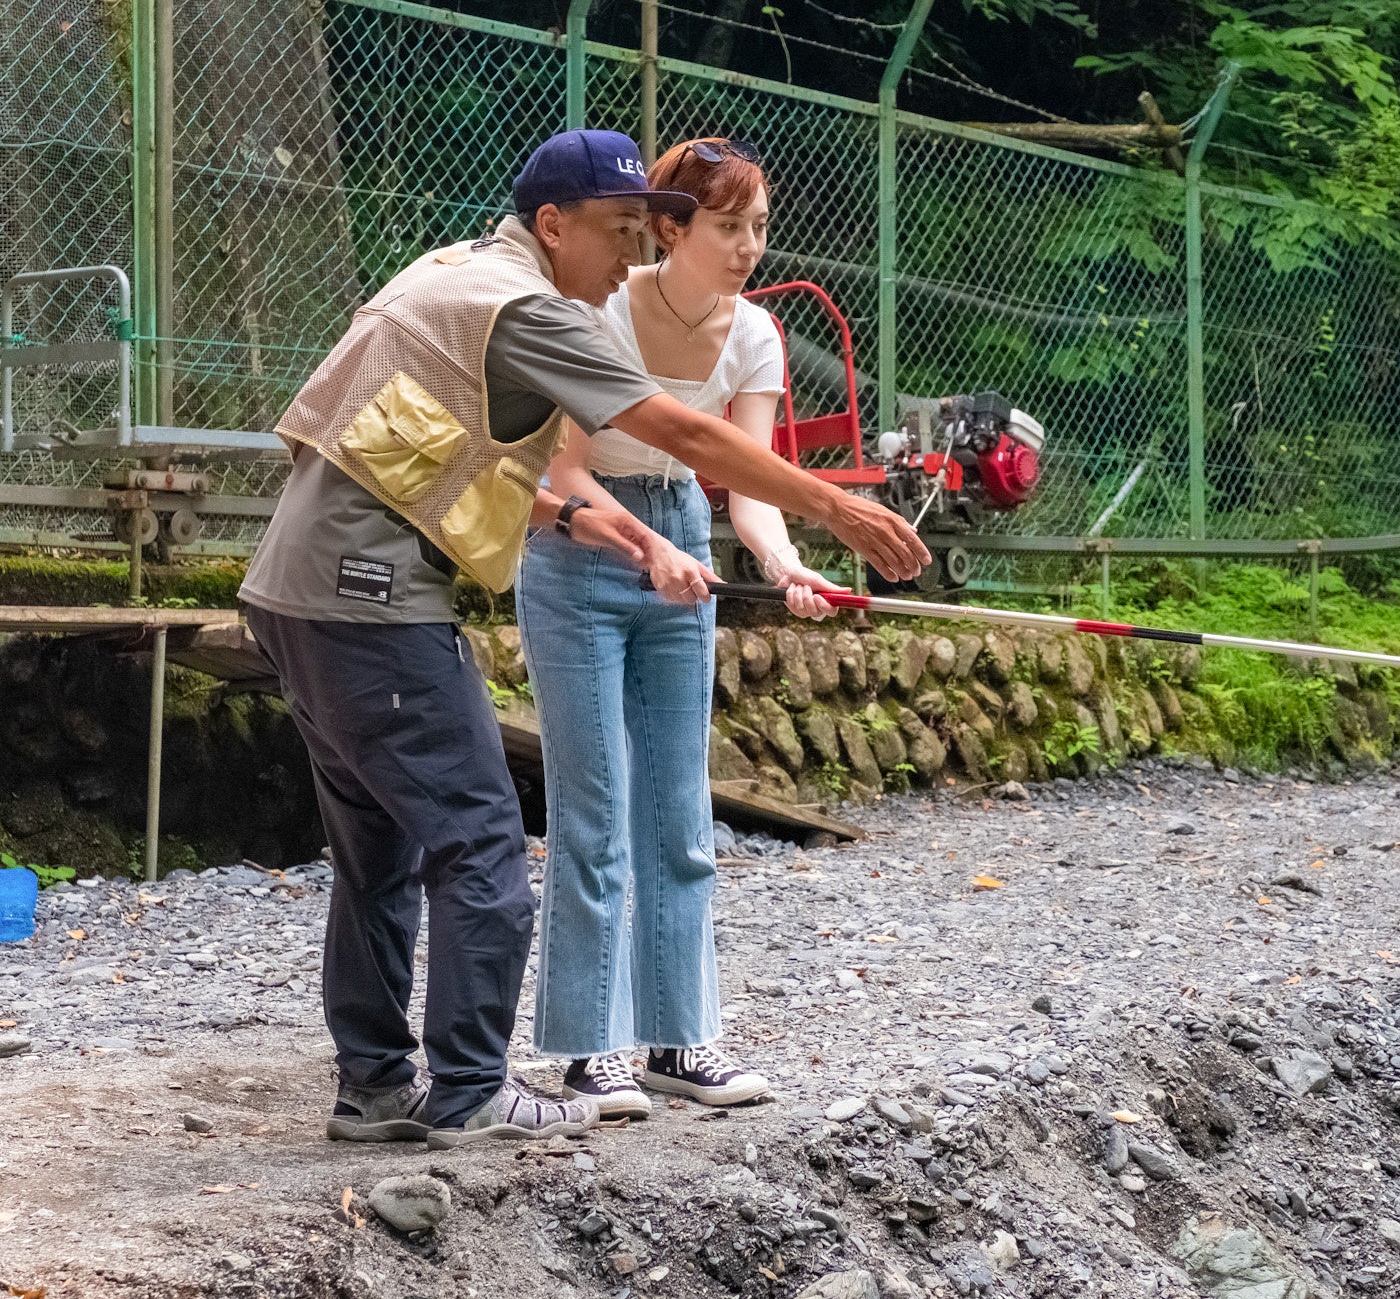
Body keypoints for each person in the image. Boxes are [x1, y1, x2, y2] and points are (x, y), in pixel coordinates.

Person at [237, 129, 927, 1150]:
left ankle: (378, 1088)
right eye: (617, 231)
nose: (628, 254)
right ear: (554, 225)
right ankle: (471, 1086)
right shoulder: (529, 308)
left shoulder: (452, 273)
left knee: (378, 852)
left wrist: (579, 518)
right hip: (369, 598)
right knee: (480, 843)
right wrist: (840, 509)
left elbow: (409, 444)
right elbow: (685, 438)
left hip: (294, 585)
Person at [514, 137, 835, 1119]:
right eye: (729, 227)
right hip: (582, 551)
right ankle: (585, 1050)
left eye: (760, 229)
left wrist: (783, 566)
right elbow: (557, 473)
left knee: (678, 808)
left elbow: (744, 485)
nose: (748, 247)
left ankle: (682, 1040)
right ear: (671, 228)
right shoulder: (603, 307)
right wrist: (636, 546)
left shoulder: (756, 337)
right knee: (595, 808)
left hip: (684, 543)